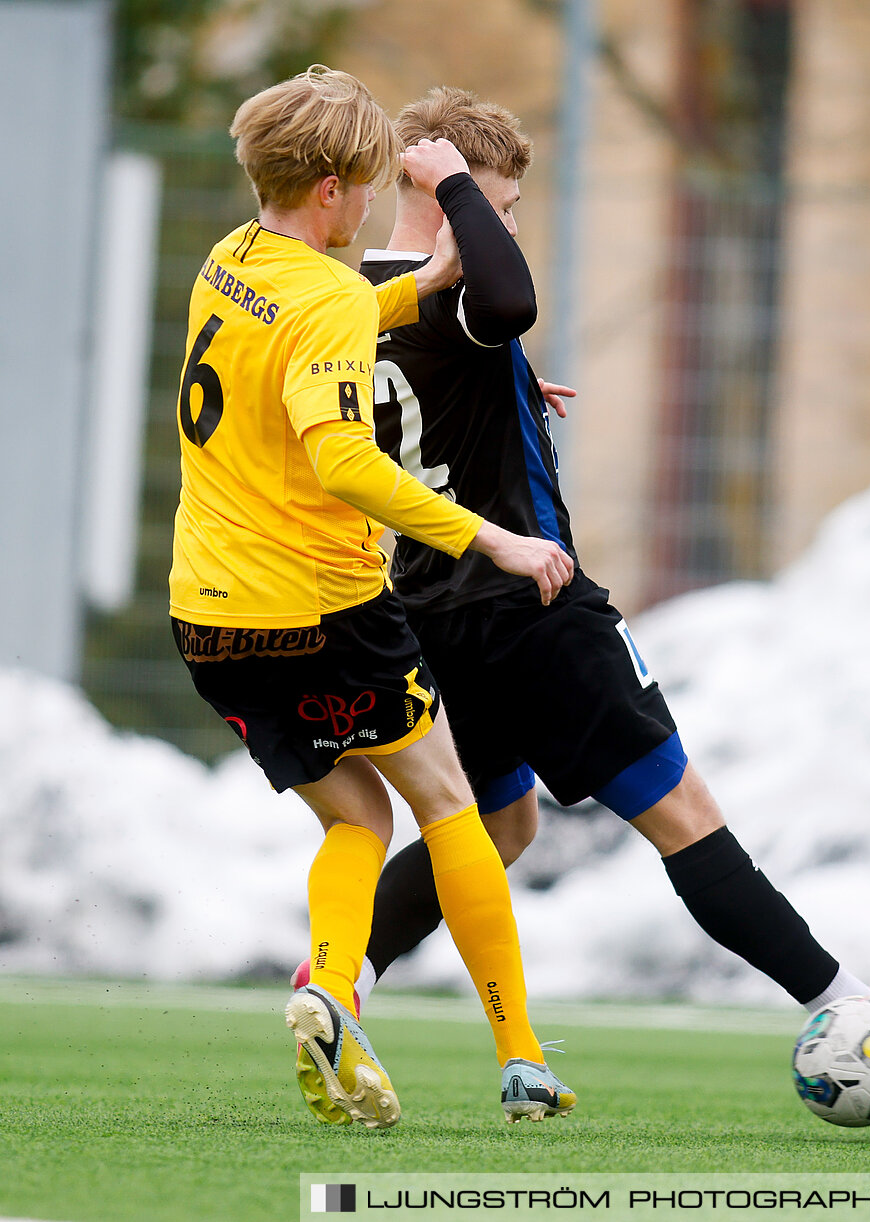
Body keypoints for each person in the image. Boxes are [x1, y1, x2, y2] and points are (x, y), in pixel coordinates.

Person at [290, 86, 870, 1045]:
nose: (507, 222)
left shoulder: (355, 300)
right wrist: (458, 191)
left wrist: (513, 393)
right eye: (502, 203)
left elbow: (410, 402)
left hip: (430, 613)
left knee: (498, 825)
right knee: (681, 809)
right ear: (442, 189)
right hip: (533, 605)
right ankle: (850, 1009)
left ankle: (339, 980)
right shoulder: (459, 289)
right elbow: (505, 297)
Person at [170, 66, 580, 1128]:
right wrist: (491, 534)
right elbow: (348, 460)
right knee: (454, 804)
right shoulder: (331, 294)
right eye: (363, 188)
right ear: (332, 196)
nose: (366, 208)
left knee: (355, 813)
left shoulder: (231, 262)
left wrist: (425, 280)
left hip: (210, 617)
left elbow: (325, 324)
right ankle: (523, 1056)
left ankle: (326, 986)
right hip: (325, 607)